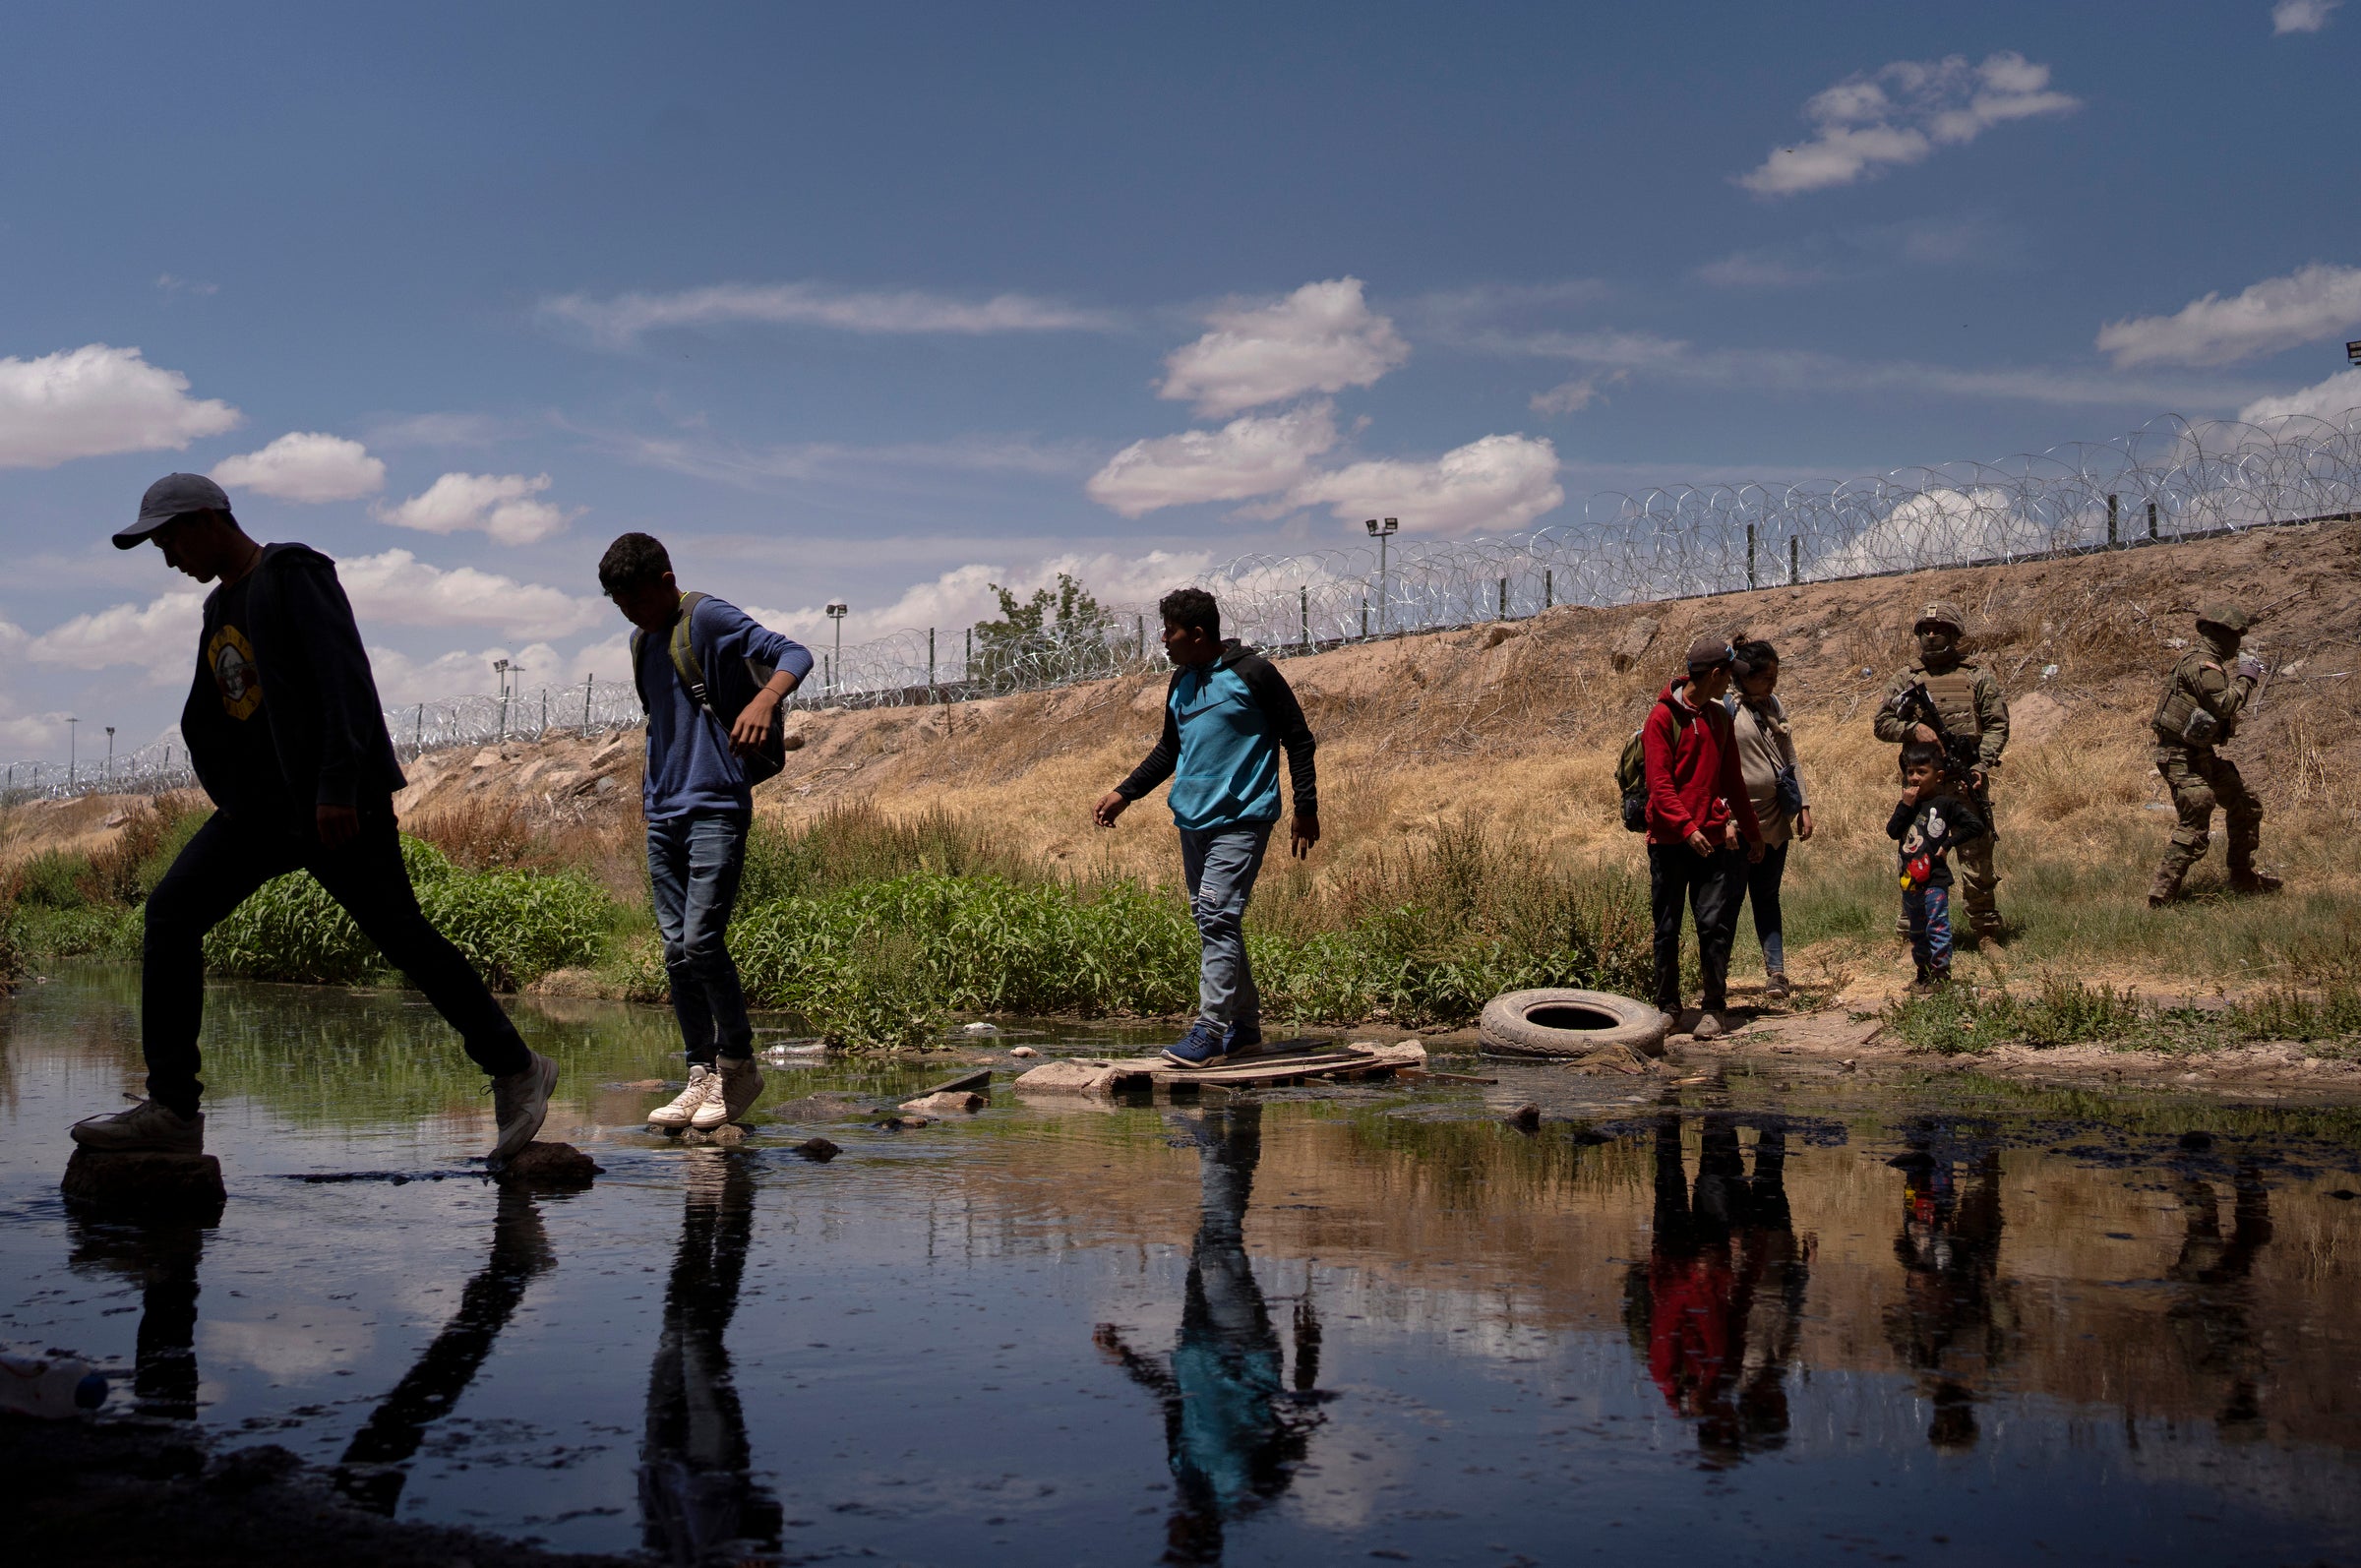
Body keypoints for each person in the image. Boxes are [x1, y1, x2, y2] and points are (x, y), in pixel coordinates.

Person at [70, 474, 555, 1162]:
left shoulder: (293, 573)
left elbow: (343, 681)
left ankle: (517, 1069)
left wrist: (335, 786)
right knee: (171, 913)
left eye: (172, 537)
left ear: (210, 520)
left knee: (405, 940)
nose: (168, 556)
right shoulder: (219, 607)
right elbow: (217, 712)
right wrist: (230, 791)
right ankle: (174, 1111)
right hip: (262, 814)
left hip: (336, 807)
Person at [598, 533, 811, 1131]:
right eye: (621, 606)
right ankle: (700, 1074)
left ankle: (738, 1064)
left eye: (636, 601)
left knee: (700, 942)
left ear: (666, 581)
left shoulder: (707, 617)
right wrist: (651, 798)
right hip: (663, 812)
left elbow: (794, 653)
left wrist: (766, 698)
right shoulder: (641, 640)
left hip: (716, 803)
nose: (631, 614)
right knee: (674, 951)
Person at [1093, 588, 1317, 1068]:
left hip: (1243, 819)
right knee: (1215, 920)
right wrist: (1125, 793)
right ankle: (1246, 1029)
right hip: (1192, 821)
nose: (1163, 641)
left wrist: (1306, 806)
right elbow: (1168, 751)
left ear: (1197, 634)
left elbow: (1298, 738)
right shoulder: (1180, 681)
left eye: (1170, 632)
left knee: (1216, 917)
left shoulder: (1253, 673)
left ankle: (1211, 1031)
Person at [1642, 636, 1764, 1040]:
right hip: (1669, 843)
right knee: (1668, 927)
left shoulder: (1718, 717)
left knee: (1713, 925)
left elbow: (1733, 780)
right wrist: (1686, 828)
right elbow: (1660, 787)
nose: (1732, 683)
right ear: (1715, 674)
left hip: (1711, 842)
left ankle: (1714, 1009)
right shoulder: (1660, 719)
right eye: (1729, 675)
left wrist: (1751, 831)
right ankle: (1669, 1009)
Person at [1871, 601, 2008, 942]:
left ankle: (1986, 933)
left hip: (1964, 783)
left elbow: (1997, 725)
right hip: (1922, 789)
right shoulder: (1907, 678)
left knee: (1977, 861)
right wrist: (1913, 729)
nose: (1931, 636)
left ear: (1954, 635)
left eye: (1939, 630)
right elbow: (1881, 723)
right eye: (1926, 631)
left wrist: (1980, 764)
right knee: (1915, 857)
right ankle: (1912, 935)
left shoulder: (1977, 676)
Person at [2149, 602, 2279, 906]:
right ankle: (2160, 897)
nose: (2239, 644)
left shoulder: (2206, 662)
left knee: (2245, 804)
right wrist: (2247, 678)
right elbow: (2225, 705)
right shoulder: (2203, 665)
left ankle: (2243, 878)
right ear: (2223, 634)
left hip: (2200, 754)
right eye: (2237, 636)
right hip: (2181, 758)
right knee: (2197, 816)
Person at [1726, 639, 1813, 998]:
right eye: (1766, 678)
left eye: (1776, 677)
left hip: (1775, 818)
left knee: (1767, 896)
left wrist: (1804, 805)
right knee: (1728, 900)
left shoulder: (1773, 706)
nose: (1772, 685)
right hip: (1737, 822)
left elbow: (1789, 756)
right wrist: (1723, 817)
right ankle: (1717, 973)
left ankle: (1776, 972)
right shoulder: (1727, 710)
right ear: (1745, 677)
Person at [1887, 740, 1987, 991]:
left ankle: (1941, 974)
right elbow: (1892, 831)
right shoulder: (1908, 805)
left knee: (1937, 925)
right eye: (1910, 772)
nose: (1915, 778)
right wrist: (1905, 805)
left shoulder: (1946, 805)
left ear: (1938, 776)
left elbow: (1975, 825)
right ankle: (1923, 974)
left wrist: (1950, 842)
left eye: (1922, 772)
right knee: (1917, 930)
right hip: (1910, 880)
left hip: (1935, 878)